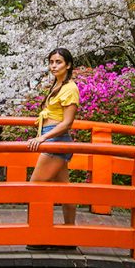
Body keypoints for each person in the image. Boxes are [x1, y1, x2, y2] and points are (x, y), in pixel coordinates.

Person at [27, 47, 80, 235]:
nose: (54, 66)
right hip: (53, 138)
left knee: (35, 188)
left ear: (68, 65)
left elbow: (67, 123)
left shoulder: (70, 88)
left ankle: (40, 234)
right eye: (51, 62)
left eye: (58, 62)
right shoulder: (57, 86)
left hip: (56, 139)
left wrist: (43, 137)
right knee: (64, 190)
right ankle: (69, 233)